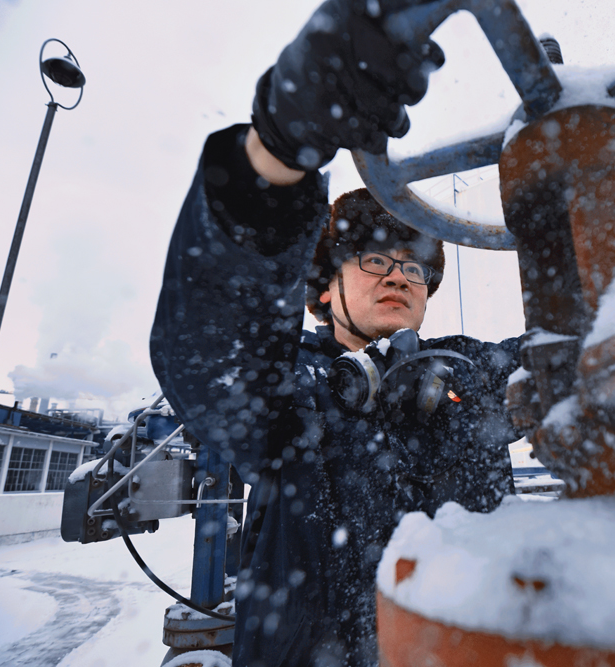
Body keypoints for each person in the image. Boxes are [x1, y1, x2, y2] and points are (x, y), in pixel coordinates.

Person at [150, 2, 523, 664]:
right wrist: (281, 143)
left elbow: (594, 347)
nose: (400, 275)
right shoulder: (289, 394)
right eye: (375, 259)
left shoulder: (470, 371)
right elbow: (206, 348)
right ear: (324, 291)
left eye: (415, 267)